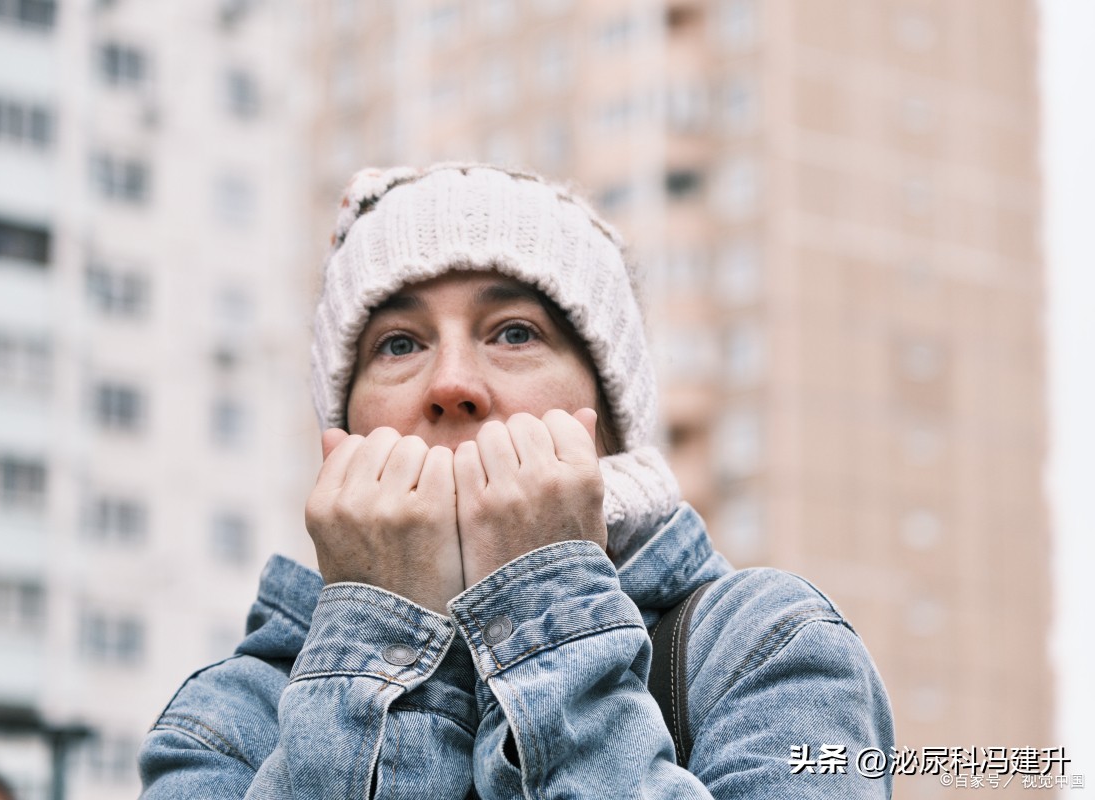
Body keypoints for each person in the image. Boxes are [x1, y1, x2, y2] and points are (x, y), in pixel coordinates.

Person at [138, 163, 895, 798]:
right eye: (399, 343)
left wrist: (544, 598)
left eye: (515, 333)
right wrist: (380, 637)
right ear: (342, 427)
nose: (453, 383)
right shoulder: (230, 718)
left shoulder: (764, 646)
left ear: (607, 411)